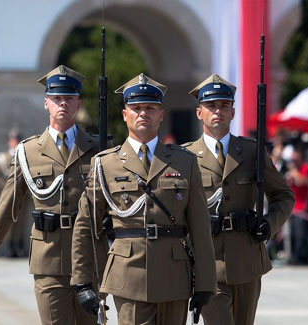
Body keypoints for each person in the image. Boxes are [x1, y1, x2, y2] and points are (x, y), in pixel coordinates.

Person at [71, 73, 217, 324]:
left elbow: (200, 226)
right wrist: (82, 281)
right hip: (129, 275)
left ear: (161, 114)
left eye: (150, 108)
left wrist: (205, 282)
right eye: (136, 108)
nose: (143, 114)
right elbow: (85, 226)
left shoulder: (185, 161)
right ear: (125, 115)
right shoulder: (106, 163)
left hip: (174, 275)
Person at [0, 65, 107, 325]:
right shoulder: (28, 152)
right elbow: (6, 207)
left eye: (69, 98)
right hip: (49, 261)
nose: (62, 103)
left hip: (90, 259)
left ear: (78, 103)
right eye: (56, 98)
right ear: (46, 103)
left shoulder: (99, 150)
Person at [182, 74, 294, 324]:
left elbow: (283, 196)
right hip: (207, 261)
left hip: (247, 259)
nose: (217, 111)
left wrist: (269, 224)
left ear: (233, 112)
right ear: (199, 113)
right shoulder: (185, 156)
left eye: (224, 106)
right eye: (211, 106)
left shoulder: (252, 152)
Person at [0, 128, 30, 257]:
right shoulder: (2, 158)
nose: (15, 143)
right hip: (8, 195)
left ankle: (20, 246)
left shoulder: (25, 156)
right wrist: (6, 186)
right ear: (9, 142)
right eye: (13, 140)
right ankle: (11, 247)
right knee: (9, 223)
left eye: (17, 140)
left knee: (22, 222)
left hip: (22, 194)